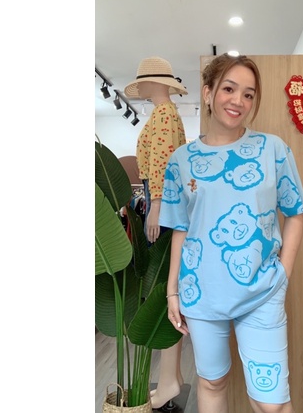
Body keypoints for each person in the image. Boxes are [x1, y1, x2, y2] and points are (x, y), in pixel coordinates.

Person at [159, 53, 303, 413]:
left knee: (271, 403)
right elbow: (181, 228)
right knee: (212, 382)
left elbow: (295, 213)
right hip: (200, 292)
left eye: (248, 94)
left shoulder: (273, 149)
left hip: (262, 292)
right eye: (229, 89)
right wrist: (172, 290)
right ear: (208, 92)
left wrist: (282, 275)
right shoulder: (180, 161)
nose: (238, 100)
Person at [124, 56, 187, 409]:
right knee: (166, 288)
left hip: (161, 200)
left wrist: (157, 205)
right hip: (160, 198)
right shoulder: (165, 113)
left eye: (144, 81)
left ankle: (169, 381)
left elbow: (163, 162)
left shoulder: (164, 114)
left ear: (156, 83)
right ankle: (171, 378)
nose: (142, 87)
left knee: (164, 288)